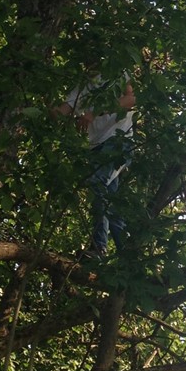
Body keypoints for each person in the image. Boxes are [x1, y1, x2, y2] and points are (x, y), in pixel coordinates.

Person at [52, 74, 135, 256]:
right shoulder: (81, 87)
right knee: (109, 202)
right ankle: (129, 258)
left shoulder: (116, 70)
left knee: (98, 183)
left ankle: (98, 248)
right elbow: (62, 111)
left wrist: (93, 112)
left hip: (118, 141)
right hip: (96, 148)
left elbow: (130, 99)